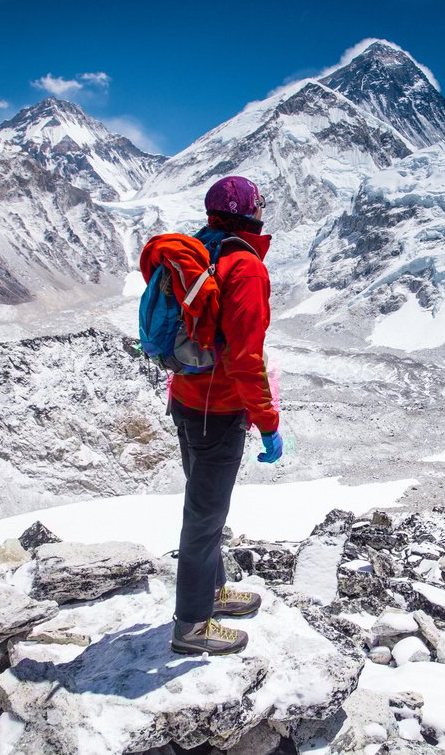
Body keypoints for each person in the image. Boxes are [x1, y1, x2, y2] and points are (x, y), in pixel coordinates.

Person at [169, 175, 283, 656]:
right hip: (219, 410)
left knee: (205, 509)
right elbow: (245, 357)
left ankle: (212, 594)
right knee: (205, 516)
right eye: (260, 205)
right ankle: (192, 625)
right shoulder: (245, 267)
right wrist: (268, 421)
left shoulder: (198, 253)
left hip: (186, 399)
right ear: (250, 212)